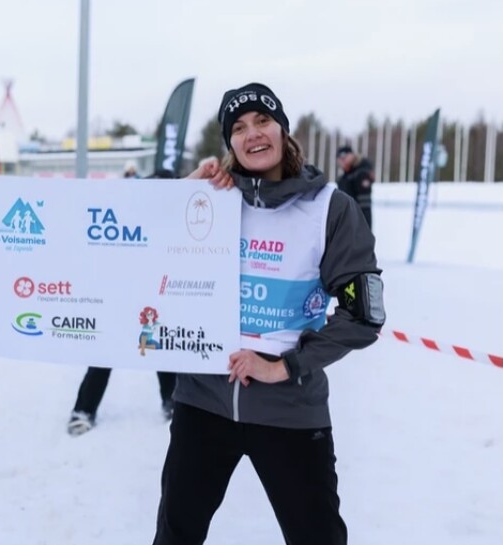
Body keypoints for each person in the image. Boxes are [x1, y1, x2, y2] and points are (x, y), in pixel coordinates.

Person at [152, 83, 385, 545]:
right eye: (238, 128)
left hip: (290, 410)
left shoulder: (329, 209)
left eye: (262, 121)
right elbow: (135, 241)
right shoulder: (211, 200)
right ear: (229, 142)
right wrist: (183, 192)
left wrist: (284, 368)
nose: (252, 134)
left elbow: (364, 314)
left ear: (283, 129)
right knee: (175, 536)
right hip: (203, 403)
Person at [67, 169, 178, 437]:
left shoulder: (176, 222)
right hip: (122, 297)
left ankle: (172, 403)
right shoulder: (128, 215)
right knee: (105, 352)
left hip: (156, 298)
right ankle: (83, 409)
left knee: (162, 348)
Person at [336, 145, 375, 229]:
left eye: (345, 156)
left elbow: (364, 206)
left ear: (352, 155)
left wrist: (364, 232)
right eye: (339, 158)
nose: (342, 160)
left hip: (358, 226)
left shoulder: (361, 173)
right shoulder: (344, 177)